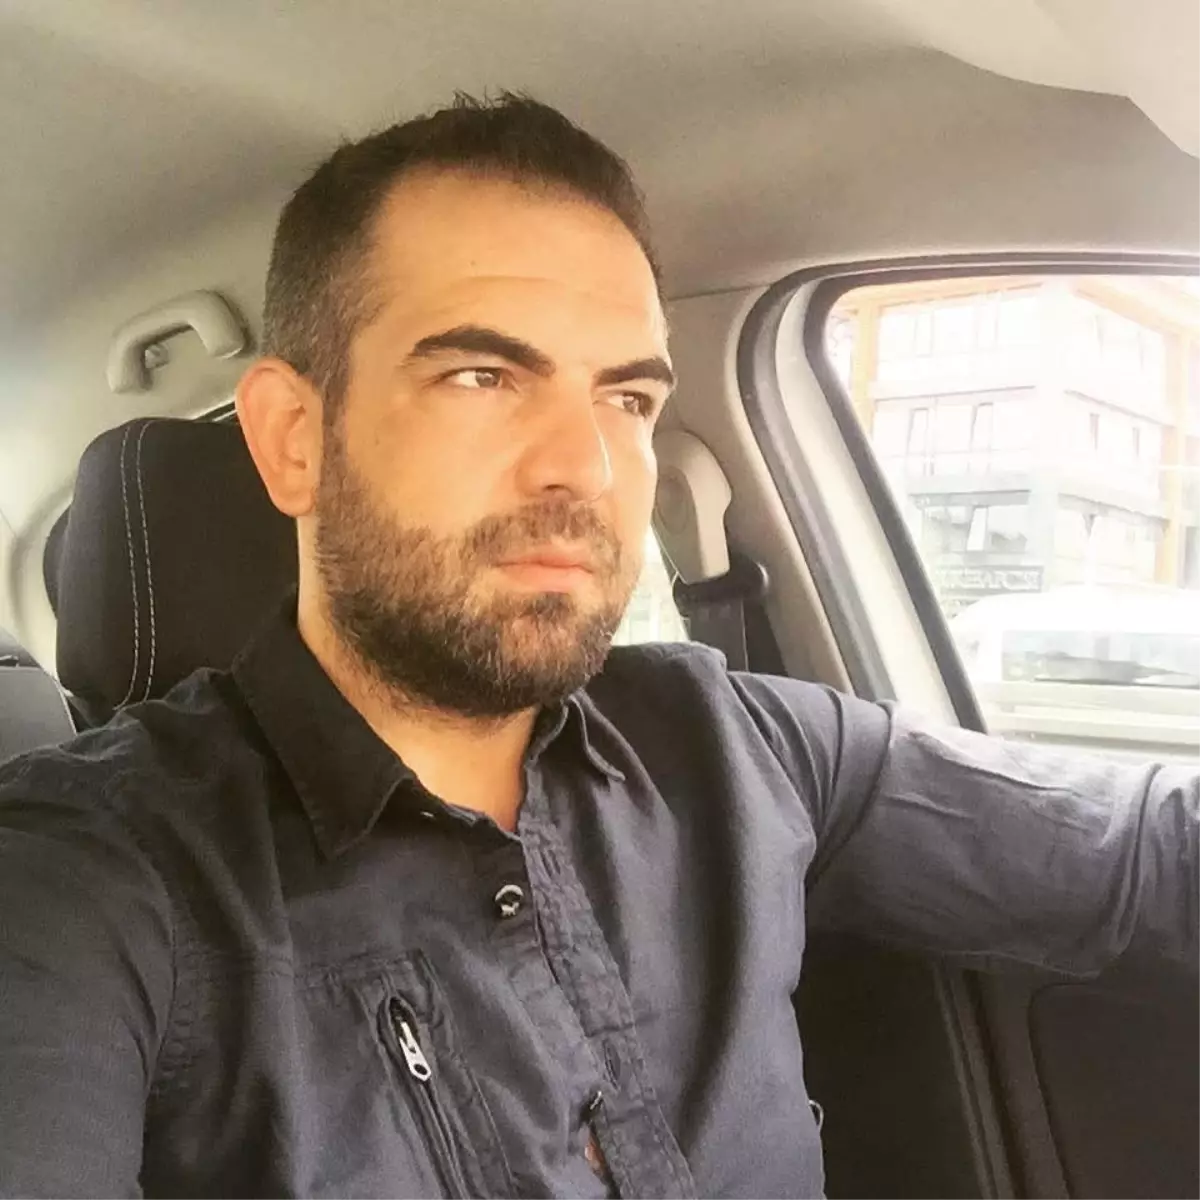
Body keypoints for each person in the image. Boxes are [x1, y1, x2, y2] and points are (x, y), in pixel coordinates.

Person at [0, 93, 1196, 1200]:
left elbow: (1149, 854)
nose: (586, 468)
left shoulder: (741, 744)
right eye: (482, 375)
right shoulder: (85, 879)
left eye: (627, 399)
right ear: (293, 439)